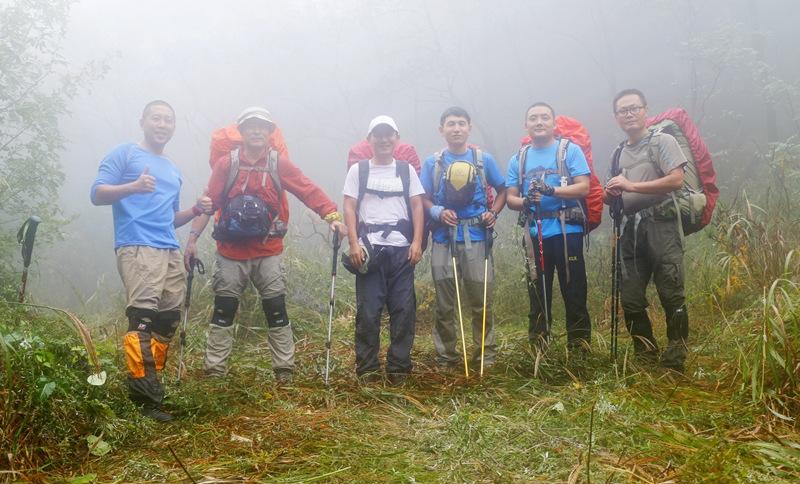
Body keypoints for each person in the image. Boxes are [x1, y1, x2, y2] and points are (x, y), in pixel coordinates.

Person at [183, 106, 345, 383]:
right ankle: (214, 372)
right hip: (230, 252)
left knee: (276, 310)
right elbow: (209, 202)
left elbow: (306, 189)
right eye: (250, 126)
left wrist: (331, 215)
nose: (256, 131)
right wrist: (192, 238)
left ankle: (284, 371)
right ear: (241, 131)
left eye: (262, 127)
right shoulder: (227, 164)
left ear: (270, 133)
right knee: (223, 311)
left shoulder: (277, 163)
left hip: (268, 250)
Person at [91, 100, 212, 422]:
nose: (162, 124)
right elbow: (97, 194)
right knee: (143, 317)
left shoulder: (172, 169)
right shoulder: (125, 154)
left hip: (168, 247)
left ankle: (151, 388)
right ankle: (143, 400)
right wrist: (133, 186)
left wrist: (196, 210)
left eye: (168, 120)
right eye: (156, 118)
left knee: (168, 319)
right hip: (136, 244)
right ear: (143, 121)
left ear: (174, 127)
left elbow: (171, 218)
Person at [605, 89, 689, 371]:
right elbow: (615, 193)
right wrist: (610, 193)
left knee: (671, 291)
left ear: (645, 110)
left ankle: (676, 358)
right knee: (630, 297)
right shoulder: (618, 152)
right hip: (629, 230)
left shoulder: (662, 141)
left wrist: (631, 187)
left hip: (661, 224)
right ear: (616, 117)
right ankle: (646, 355)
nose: (629, 114)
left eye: (634, 108)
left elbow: (676, 180)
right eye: (622, 111)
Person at [419, 106, 506, 371]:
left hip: (477, 237)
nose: (456, 128)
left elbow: (502, 189)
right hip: (444, 239)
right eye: (450, 124)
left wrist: (493, 213)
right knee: (445, 303)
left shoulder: (483, 160)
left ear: (469, 127)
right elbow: (422, 197)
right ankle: (447, 357)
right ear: (441, 129)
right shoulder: (432, 163)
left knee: (481, 300)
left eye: (461, 123)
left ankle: (485, 354)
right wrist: (437, 211)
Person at [342, 115, 424, 384]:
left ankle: (399, 368)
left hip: (402, 250)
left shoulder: (405, 170)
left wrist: (417, 243)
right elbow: (350, 207)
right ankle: (367, 370)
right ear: (369, 140)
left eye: (389, 134)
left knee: (404, 310)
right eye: (378, 134)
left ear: (396, 138)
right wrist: (354, 244)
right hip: (369, 252)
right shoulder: (359, 170)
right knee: (368, 312)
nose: (384, 139)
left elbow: (416, 206)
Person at [505, 102, 591, 351]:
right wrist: (525, 201)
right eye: (533, 118)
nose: (539, 122)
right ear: (526, 125)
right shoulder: (518, 159)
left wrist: (551, 190)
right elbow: (511, 198)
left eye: (544, 117)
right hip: (535, 235)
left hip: (567, 233)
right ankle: (539, 350)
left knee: (574, 293)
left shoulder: (569, 151)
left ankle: (579, 351)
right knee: (538, 296)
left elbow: (583, 187)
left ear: (554, 124)